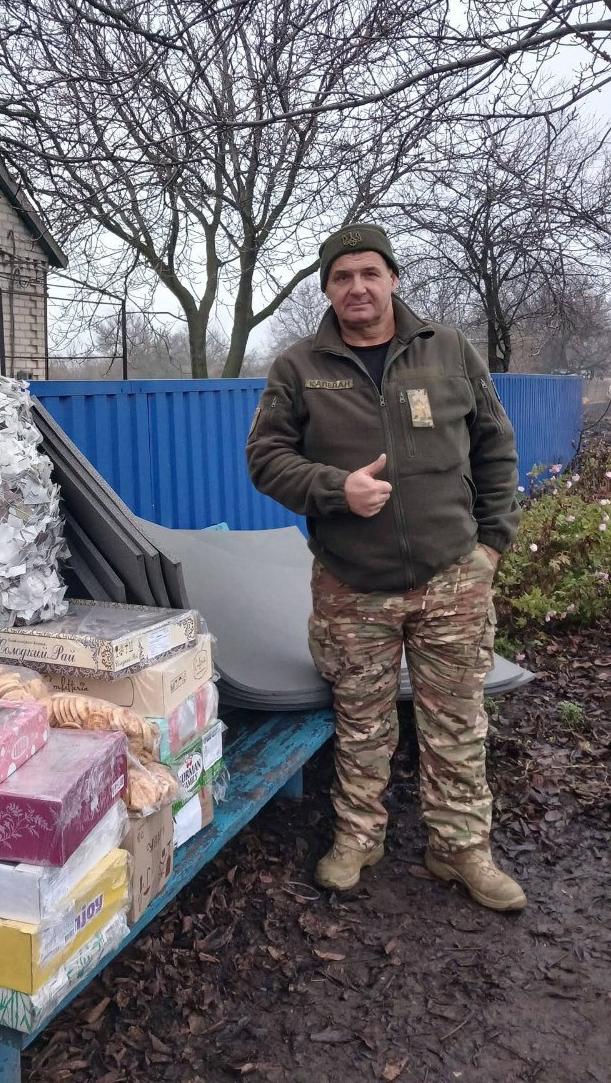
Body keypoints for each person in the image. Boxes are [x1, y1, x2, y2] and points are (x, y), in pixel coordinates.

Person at [246, 224, 525, 911]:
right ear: (327, 289)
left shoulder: (449, 350)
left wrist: (491, 545)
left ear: (394, 278)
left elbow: (495, 448)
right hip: (352, 583)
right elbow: (266, 459)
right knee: (362, 720)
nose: (357, 288)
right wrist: (335, 488)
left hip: (451, 576)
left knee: (456, 722)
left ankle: (460, 848)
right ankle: (358, 837)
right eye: (342, 277)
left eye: (370, 272)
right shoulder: (298, 366)